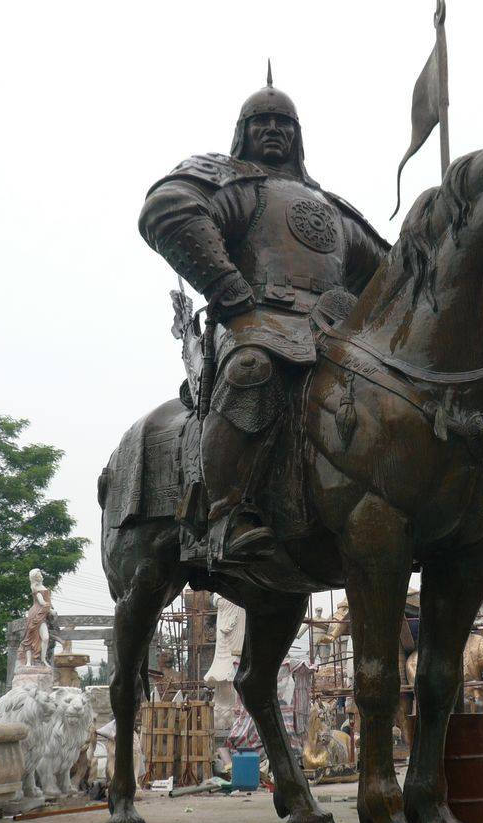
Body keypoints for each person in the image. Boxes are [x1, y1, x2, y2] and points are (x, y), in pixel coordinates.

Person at [139, 65, 389, 561]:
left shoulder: (333, 208)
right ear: (244, 132)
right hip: (254, 317)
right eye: (262, 122)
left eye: (284, 123)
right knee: (253, 368)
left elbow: (392, 272)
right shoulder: (225, 179)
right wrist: (228, 289)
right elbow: (168, 209)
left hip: (336, 328)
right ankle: (226, 513)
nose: (274, 130)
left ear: (299, 136)